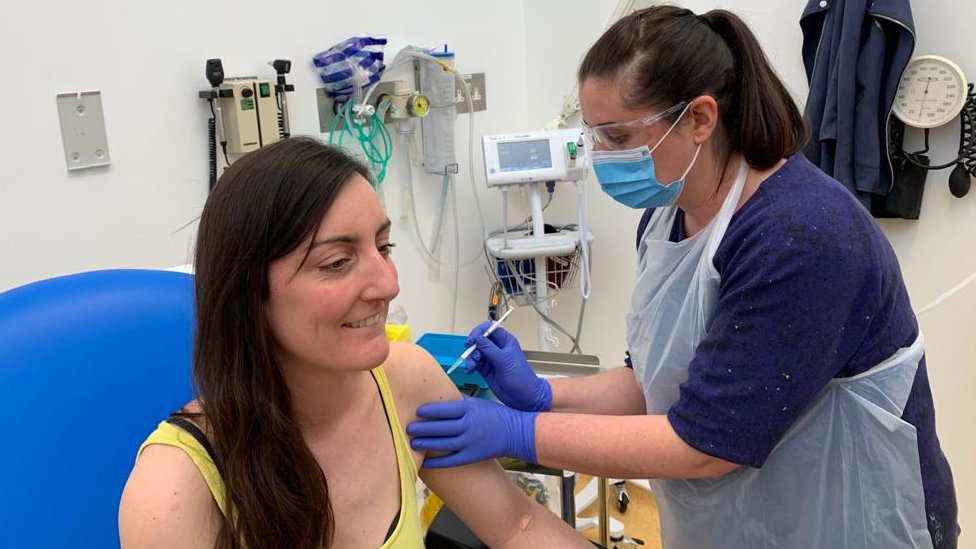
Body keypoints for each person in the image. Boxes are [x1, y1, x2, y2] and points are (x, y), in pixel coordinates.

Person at [407, 6, 959, 549]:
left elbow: (706, 444)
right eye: (593, 134)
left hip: (852, 515)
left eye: (617, 137)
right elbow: (659, 377)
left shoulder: (803, 237)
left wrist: (517, 433)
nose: (600, 156)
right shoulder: (666, 216)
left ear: (699, 118)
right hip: (751, 512)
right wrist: (545, 395)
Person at [118, 138, 592, 549]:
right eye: (337, 262)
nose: (388, 284)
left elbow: (518, 526)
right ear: (248, 294)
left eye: (383, 248)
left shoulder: (408, 382)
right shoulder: (175, 490)